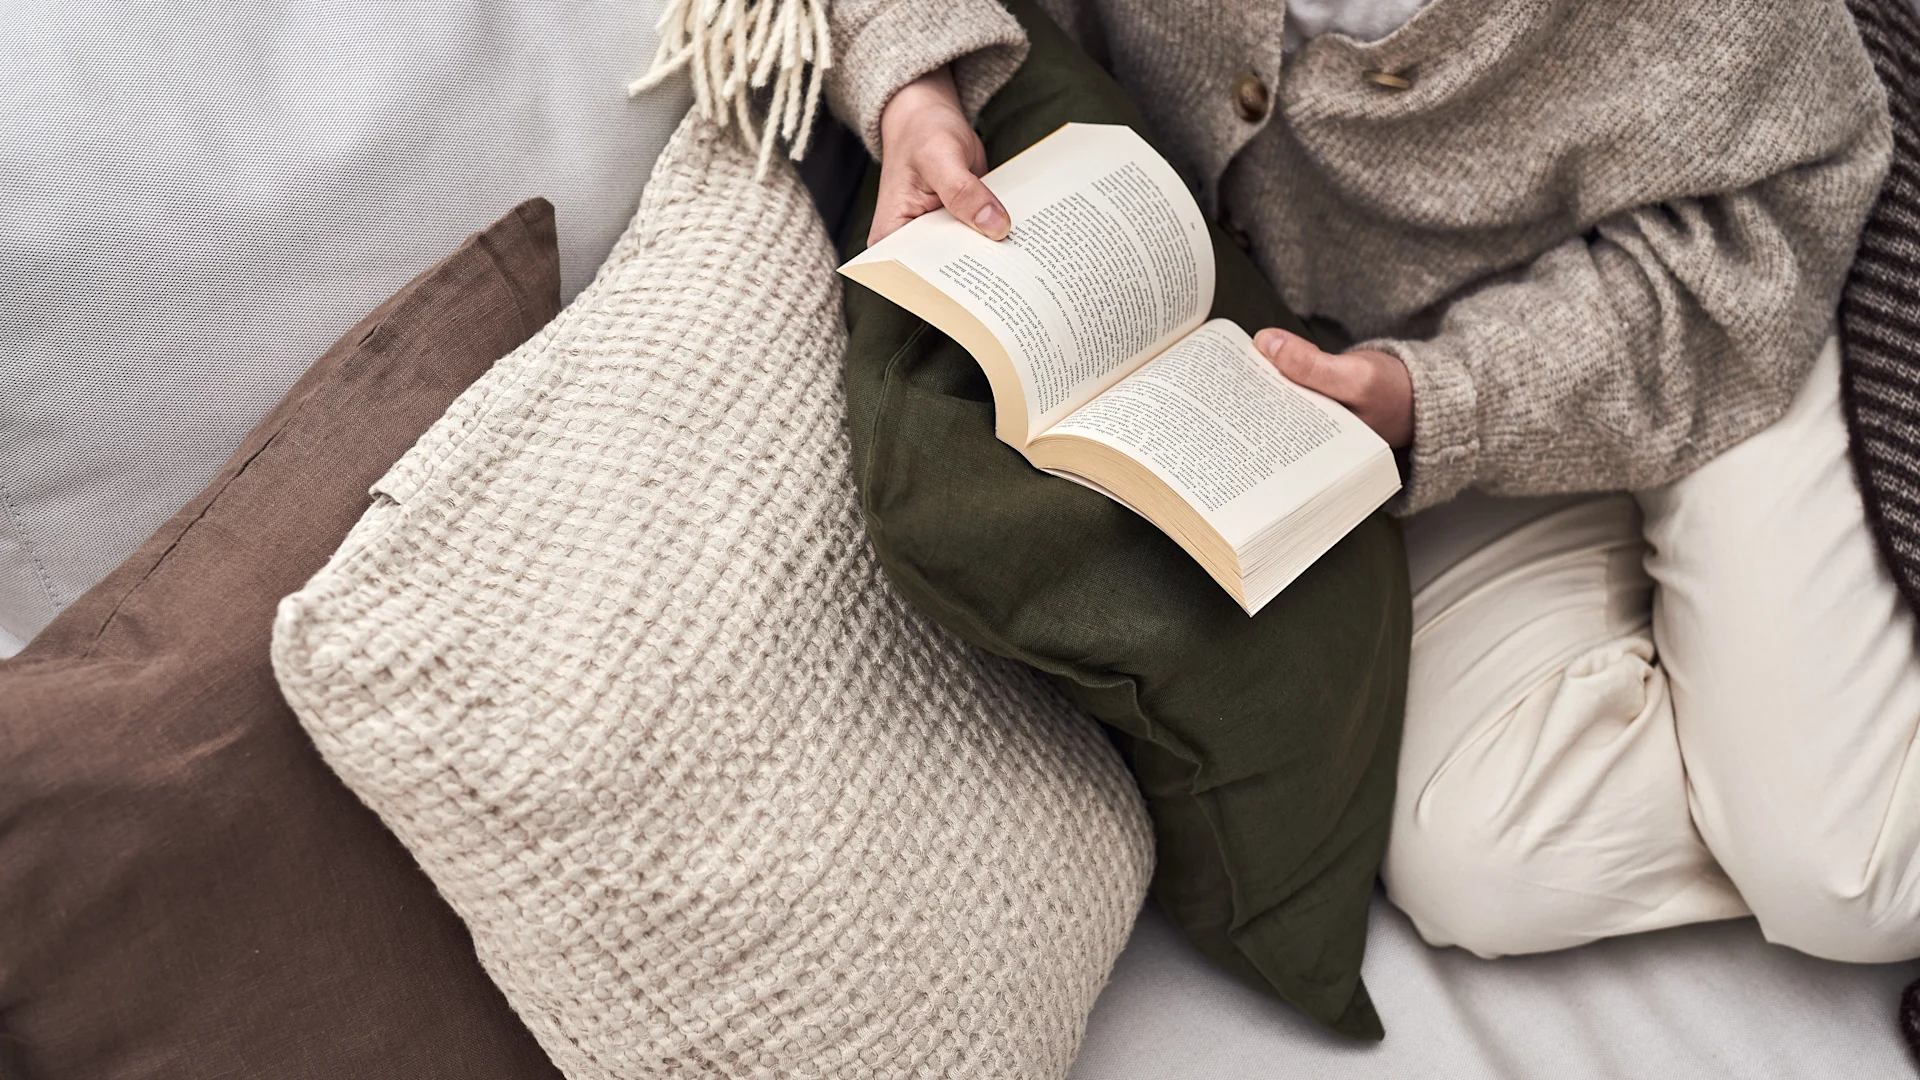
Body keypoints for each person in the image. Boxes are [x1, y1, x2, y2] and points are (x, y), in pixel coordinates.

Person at [821, 0, 1920, 963]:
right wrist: (916, 79)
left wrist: (1452, 397)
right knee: (1479, 858)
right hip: (1399, 387)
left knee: (1843, 876)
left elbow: (1778, 208)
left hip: (1730, 309)